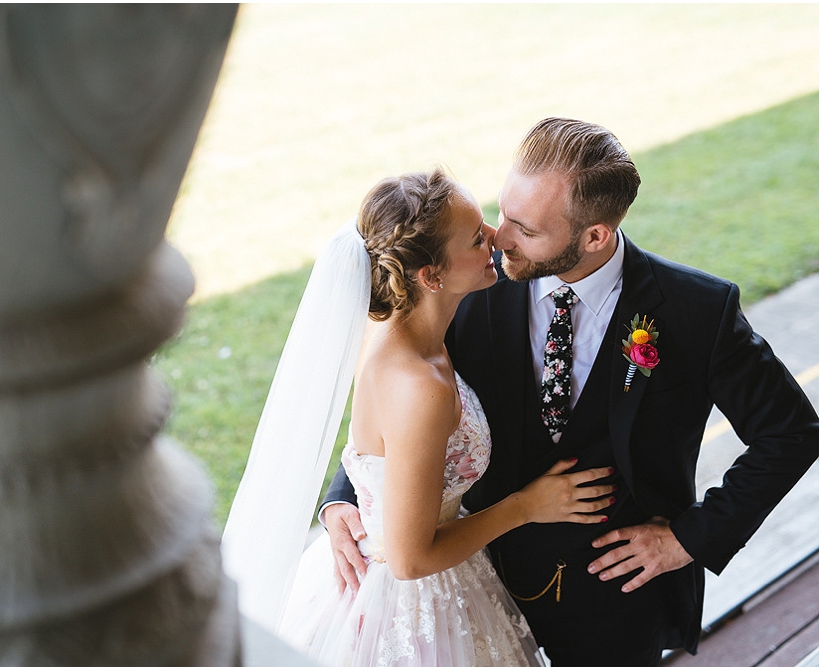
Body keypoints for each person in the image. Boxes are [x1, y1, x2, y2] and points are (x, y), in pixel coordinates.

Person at [322, 118, 819, 666]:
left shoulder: (697, 311)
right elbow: (398, 390)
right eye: (503, 213)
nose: (498, 239)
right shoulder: (467, 283)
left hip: (615, 607)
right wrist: (345, 496)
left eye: (526, 229)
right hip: (472, 590)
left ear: (595, 236)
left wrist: (686, 539)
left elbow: (792, 433)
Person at [222, 167, 617, 666]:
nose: (496, 237)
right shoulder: (418, 387)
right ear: (431, 275)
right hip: (412, 609)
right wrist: (526, 506)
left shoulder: (396, 325)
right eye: (477, 238)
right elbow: (411, 560)